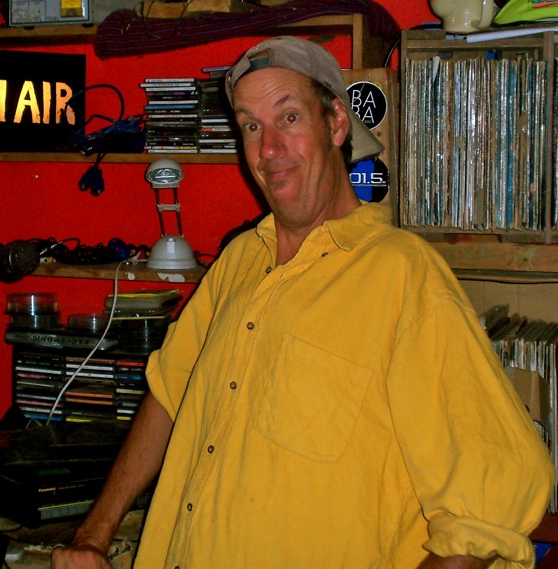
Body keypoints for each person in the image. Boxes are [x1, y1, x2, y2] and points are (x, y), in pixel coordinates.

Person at [51, 36, 554, 569]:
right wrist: (93, 537)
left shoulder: (402, 275)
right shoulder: (239, 259)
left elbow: (493, 494)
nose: (268, 149)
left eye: (288, 118)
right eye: (251, 126)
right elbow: (168, 395)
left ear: (336, 123)